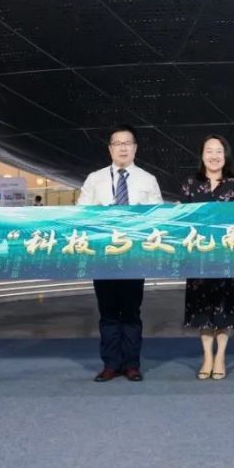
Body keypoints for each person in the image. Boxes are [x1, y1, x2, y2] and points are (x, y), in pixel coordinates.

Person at [78, 125, 163, 382]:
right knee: (107, 313)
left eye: (127, 143)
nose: (123, 148)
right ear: (110, 149)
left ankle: (132, 365)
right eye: (117, 143)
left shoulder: (148, 180)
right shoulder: (95, 179)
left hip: (134, 256)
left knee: (131, 312)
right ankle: (110, 364)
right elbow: (81, 213)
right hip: (103, 257)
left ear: (135, 148)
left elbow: (157, 217)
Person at [181, 135, 234, 380]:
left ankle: (221, 357)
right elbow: (183, 221)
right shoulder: (190, 184)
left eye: (219, 151)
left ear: (225, 155)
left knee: (224, 309)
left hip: (226, 257)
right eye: (209, 150)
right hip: (199, 258)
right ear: (202, 155)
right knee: (202, 309)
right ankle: (207, 356)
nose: (214, 155)